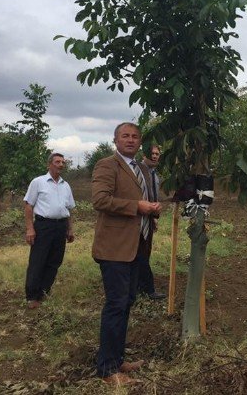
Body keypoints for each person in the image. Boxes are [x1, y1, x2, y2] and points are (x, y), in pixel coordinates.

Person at [92, 122, 162, 385]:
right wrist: (138, 206)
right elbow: (100, 200)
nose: (130, 140)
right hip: (114, 248)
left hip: (137, 246)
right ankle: (108, 369)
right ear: (115, 140)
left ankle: (117, 358)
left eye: (135, 137)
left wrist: (152, 209)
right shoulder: (107, 165)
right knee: (116, 305)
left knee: (126, 303)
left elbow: (143, 200)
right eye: (125, 136)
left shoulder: (142, 168)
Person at [23, 152, 76, 309]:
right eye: (57, 162)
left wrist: (70, 229)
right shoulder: (38, 182)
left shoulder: (65, 185)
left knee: (54, 261)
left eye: (63, 162)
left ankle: (44, 292)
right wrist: (30, 228)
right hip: (43, 226)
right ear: (49, 164)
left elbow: (69, 209)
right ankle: (32, 296)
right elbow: (28, 205)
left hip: (60, 227)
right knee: (38, 261)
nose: (61, 165)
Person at [137, 145, 166, 300]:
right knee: (140, 253)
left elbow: (153, 196)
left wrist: (154, 217)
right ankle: (147, 289)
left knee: (145, 252)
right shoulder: (138, 171)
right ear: (144, 154)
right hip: (138, 217)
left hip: (149, 217)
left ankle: (141, 287)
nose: (155, 156)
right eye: (152, 153)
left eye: (157, 154)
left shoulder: (154, 175)